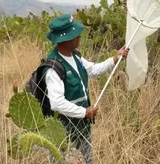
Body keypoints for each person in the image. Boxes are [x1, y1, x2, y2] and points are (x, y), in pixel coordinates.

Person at [43, 13, 129, 163]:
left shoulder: (75, 56)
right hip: (62, 129)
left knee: (87, 160)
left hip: (82, 125)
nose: (79, 37)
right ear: (65, 39)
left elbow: (94, 70)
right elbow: (56, 103)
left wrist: (116, 58)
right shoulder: (53, 67)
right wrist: (84, 112)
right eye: (75, 35)